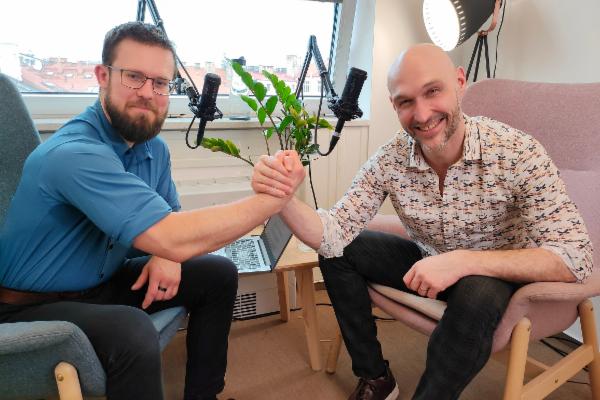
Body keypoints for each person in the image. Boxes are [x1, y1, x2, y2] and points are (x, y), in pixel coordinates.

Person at [251, 43, 593, 400]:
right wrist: (282, 196)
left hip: (495, 277)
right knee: (339, 252)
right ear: (394, 105)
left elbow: (575, 256)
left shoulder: (517, 152)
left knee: (477, 292)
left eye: (433, 91)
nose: (422, 113)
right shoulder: (390, 159)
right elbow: (332, 233)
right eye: (406, 101)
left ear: (459, 82)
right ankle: (376, 378)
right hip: (427, 262)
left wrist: (462, 262)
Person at [0, 22, 301, 400]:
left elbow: (170, 219)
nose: (147, 92)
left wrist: (165, 255)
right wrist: (273, 199)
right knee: (132, 330)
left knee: (218, 273)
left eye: (160, 82)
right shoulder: (73, 154)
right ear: (102, 77)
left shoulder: (152, 149)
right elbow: (171, 235)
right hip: (33, 303)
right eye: (134, 77)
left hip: (102, 282)